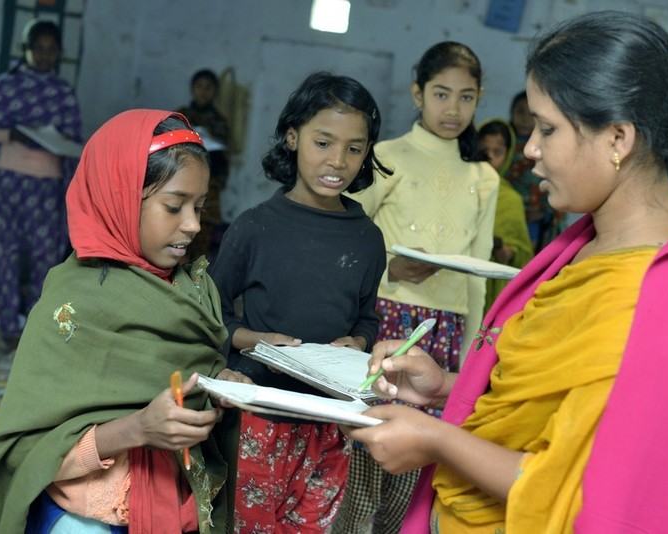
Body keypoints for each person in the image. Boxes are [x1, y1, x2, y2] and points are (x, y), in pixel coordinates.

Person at [350, 11, 668, 533]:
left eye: (547, 129)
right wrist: (445, 389)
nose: (529, 148)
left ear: (617, 139)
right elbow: (546, 408)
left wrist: (435, 438)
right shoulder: (591, 242)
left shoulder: (657, 298)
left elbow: (577, 491)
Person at [0, 109, 249, 533]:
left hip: (178, 512)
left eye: (199, 206)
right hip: (86, 521)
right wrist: (137, 428)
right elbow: (26, 454)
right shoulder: (74, 304)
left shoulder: (195, 290)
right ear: (118, 197)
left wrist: (222, 385)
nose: (193, 225)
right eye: (174, 206)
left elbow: (193, 380)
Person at [209, 72, 388, 532]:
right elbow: (208, 313)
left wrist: (358, 341)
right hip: (260, 415)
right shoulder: (254, 228)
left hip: (330, 419)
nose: (338, 160)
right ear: (292, 137)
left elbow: (367, 317)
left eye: (354, 147)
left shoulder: (367, 239)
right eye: (323, 142)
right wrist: (252, 339)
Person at [333, 42, 498, 534]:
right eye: (441, 94)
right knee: (368, 447)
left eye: (466, 97)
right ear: (417, 93)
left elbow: (479, 276)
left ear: (479, 99)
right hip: (388, 319)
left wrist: (471, 356)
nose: (453, 109)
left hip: (445, 335)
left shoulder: (483, 177)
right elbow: (347, 236)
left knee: (416, 469)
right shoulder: (387, 157)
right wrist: (390, 270)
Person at [0, 19, 82, 347]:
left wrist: (56, 140)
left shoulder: (63, 93)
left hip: (47, 192)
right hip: (10, 186)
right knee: (8, 257)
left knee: (45, 261)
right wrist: (16, 133)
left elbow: (76, 145)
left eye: (52, 50)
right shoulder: (7, 86)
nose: (45, 55)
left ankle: (37, 330)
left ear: (59, 54)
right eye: (39, 48)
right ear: (27, 49)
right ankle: (9, 328)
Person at [477, 119, 533, 311]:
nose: (489, 159)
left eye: (497, 152)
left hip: (492, 287)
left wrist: (506, 251)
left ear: (508, 154)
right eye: (483, 151)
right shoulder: (460, 190)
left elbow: (524, 255)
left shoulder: (511, 200)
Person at [177, 69, 231, 262]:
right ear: (192, 89)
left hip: (209, 184)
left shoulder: (220, 122)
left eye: (208, 88)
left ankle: (194, 285)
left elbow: (223, 157)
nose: (203, 92)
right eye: (199, 86)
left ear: (215, 91)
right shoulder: (181, 116)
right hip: (180, 179)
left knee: (201, 236)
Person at [504, 91, 562, 252]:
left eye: (529, 114)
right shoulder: (503, 147)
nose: (524, 118)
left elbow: (558, 182)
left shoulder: (549, 147)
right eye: (519, 112)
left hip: (539, 219)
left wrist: (543, 211)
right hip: (509, 215)